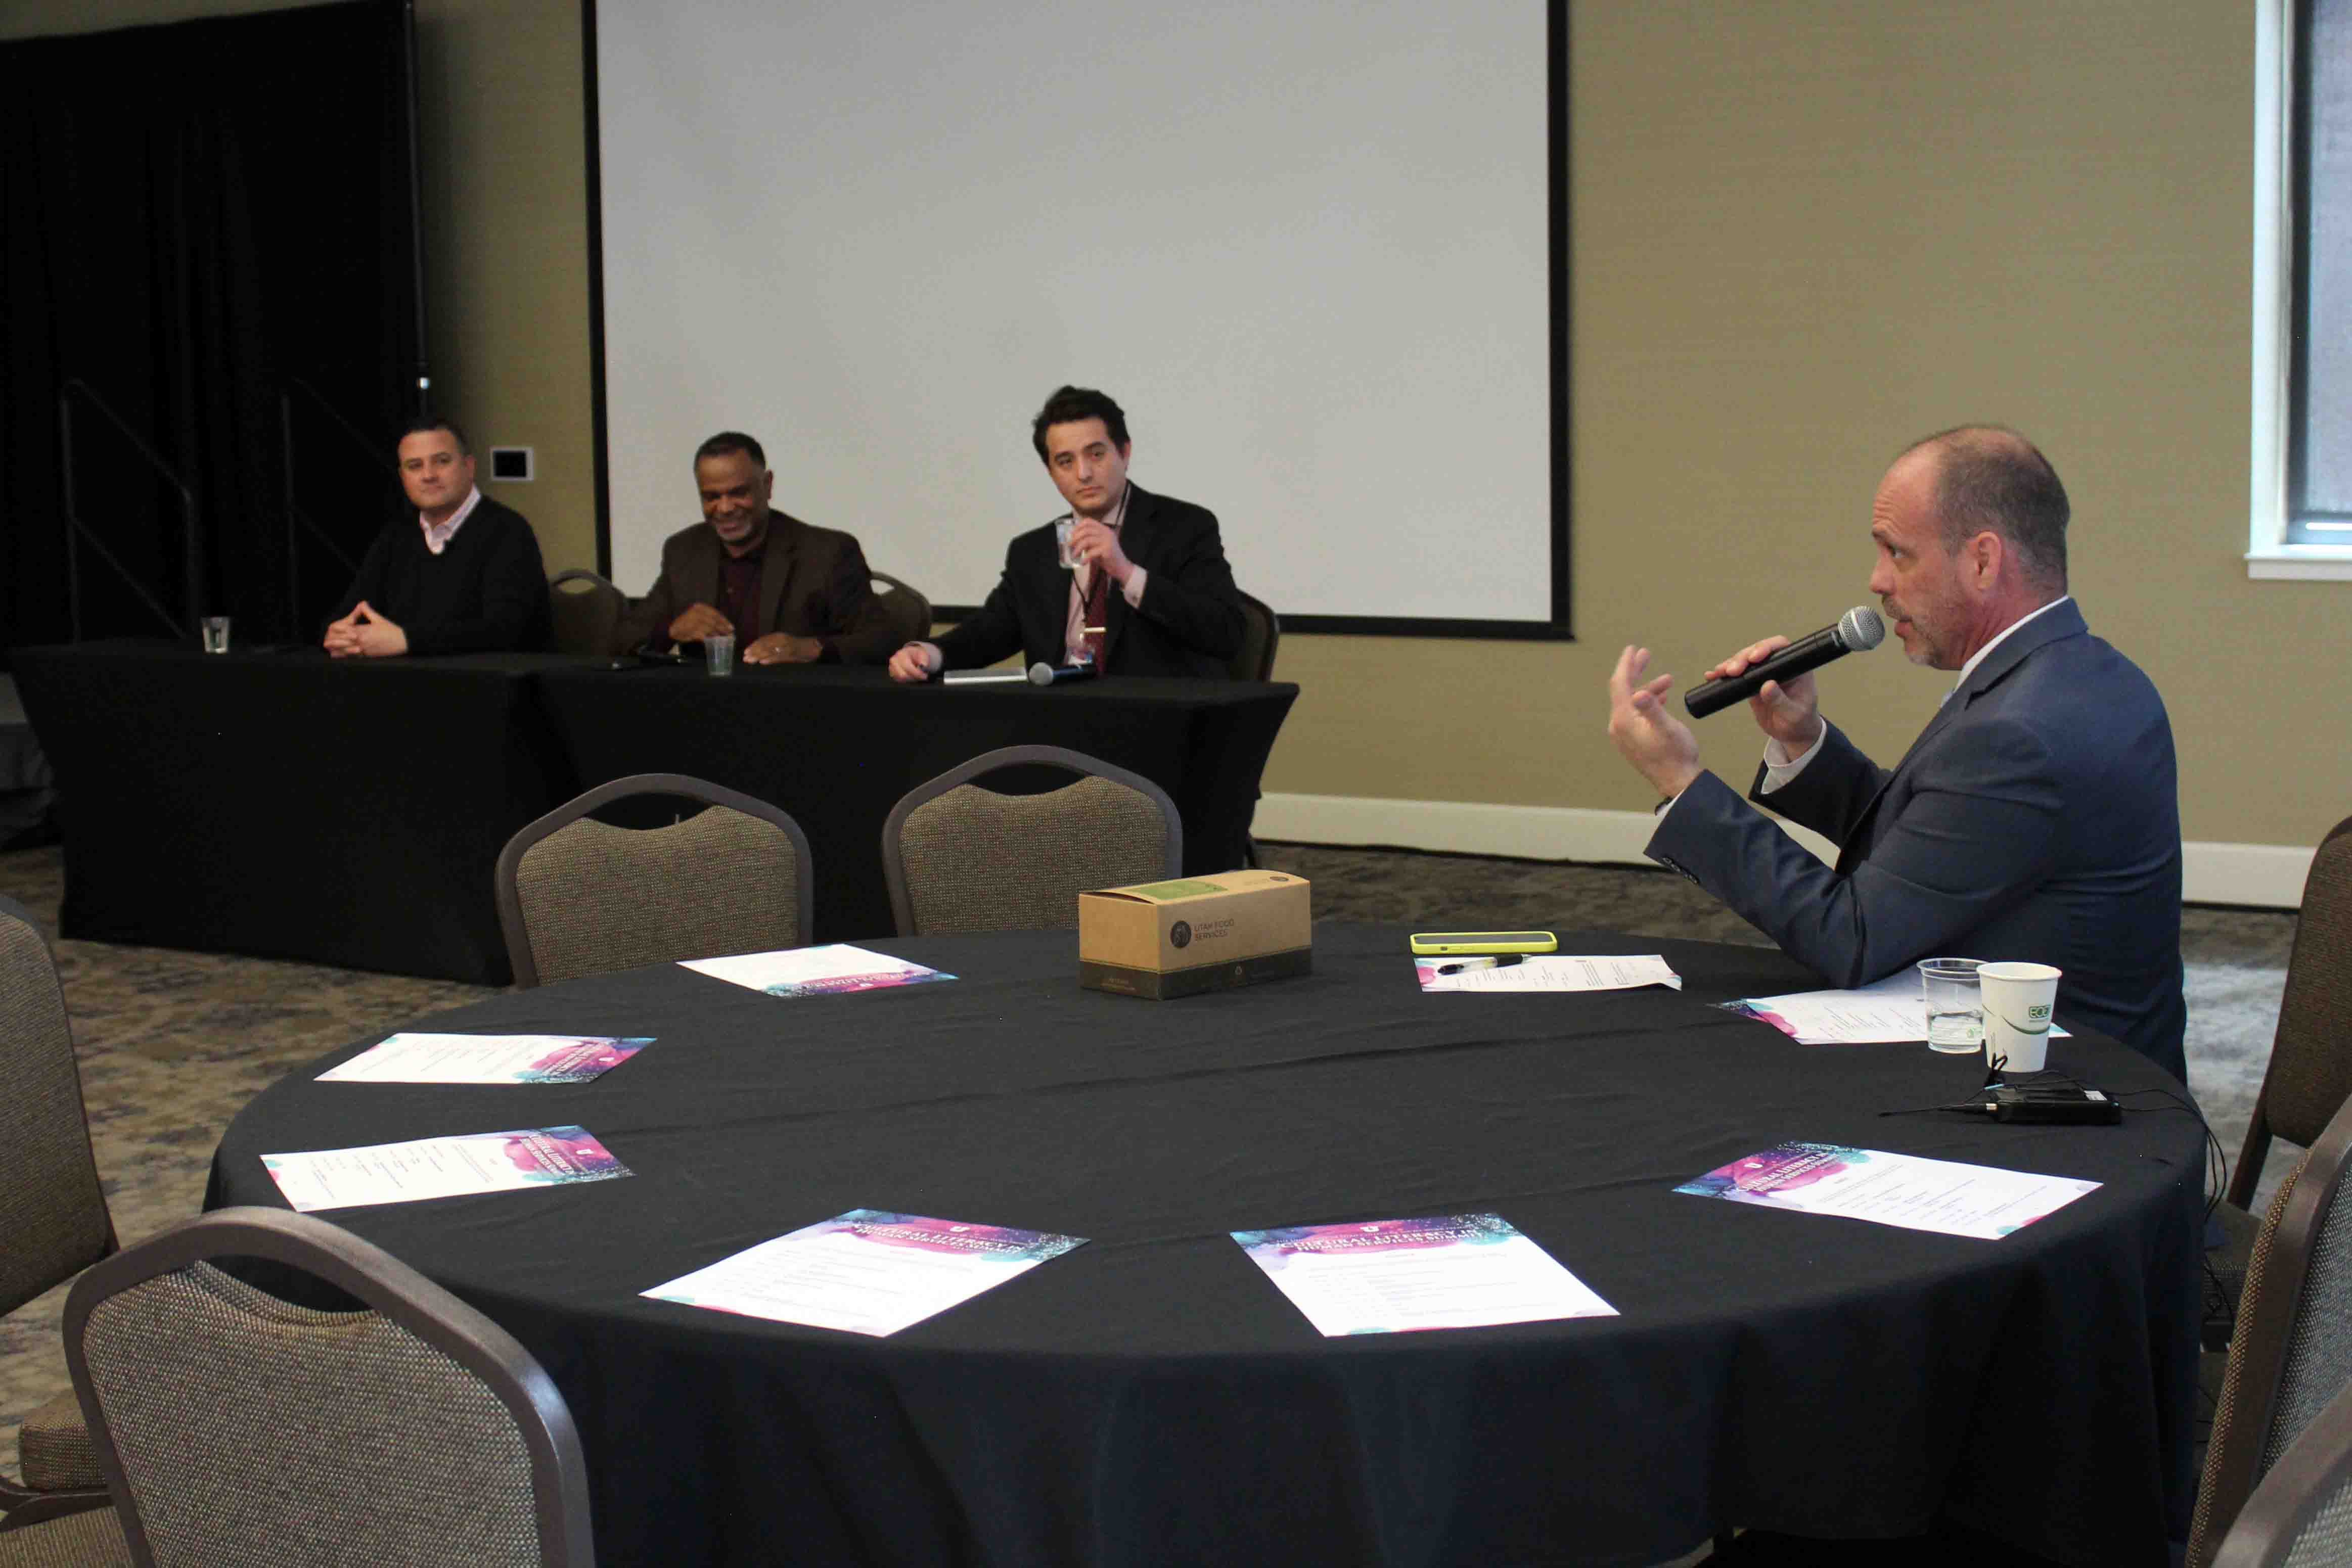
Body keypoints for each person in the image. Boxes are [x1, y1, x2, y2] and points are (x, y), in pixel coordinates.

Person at [1604, 426, 2187, 1081]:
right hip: (2079, 1055)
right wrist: (1803, 738)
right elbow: (1945, 841)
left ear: (1984, 561)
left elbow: (1850, 936)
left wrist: (1681, 781)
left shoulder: (2022, 729)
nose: (1877, 581)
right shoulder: (2083, 673)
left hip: (2059, 1091)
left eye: (1898, 553)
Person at [887, 386, 1245, 682]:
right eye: (1066, 461)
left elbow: (1226, 633)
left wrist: (1127, 572)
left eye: (1097, 454)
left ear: (1125, 452)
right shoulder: (1033, 550)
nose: (1084, 473)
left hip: (1153, 726)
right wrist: (930, 653)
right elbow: (989, 633)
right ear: (1050, 471)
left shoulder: (1185, 527)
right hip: (1060, 725)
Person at [615, 431, 897, 664]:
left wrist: (810, 648)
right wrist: (671, 630)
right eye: (711, 497)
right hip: (703, 713)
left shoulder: (827, 553)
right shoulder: (684, 550)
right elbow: (621, 641)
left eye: (738, 493)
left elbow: (882, 640)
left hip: (796, 712)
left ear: (768, 485)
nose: (724, 508)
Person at [323, 417, 551, 657]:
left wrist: (408, 640)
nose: (428, 475)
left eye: (442, 462)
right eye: (415, 466)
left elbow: (504, 631)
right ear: (403, 478)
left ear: (469, 467)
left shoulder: (509, 531)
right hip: (410, 684)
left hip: (490, 687)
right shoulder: (395, 536)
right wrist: (339, 634)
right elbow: (350, 612)